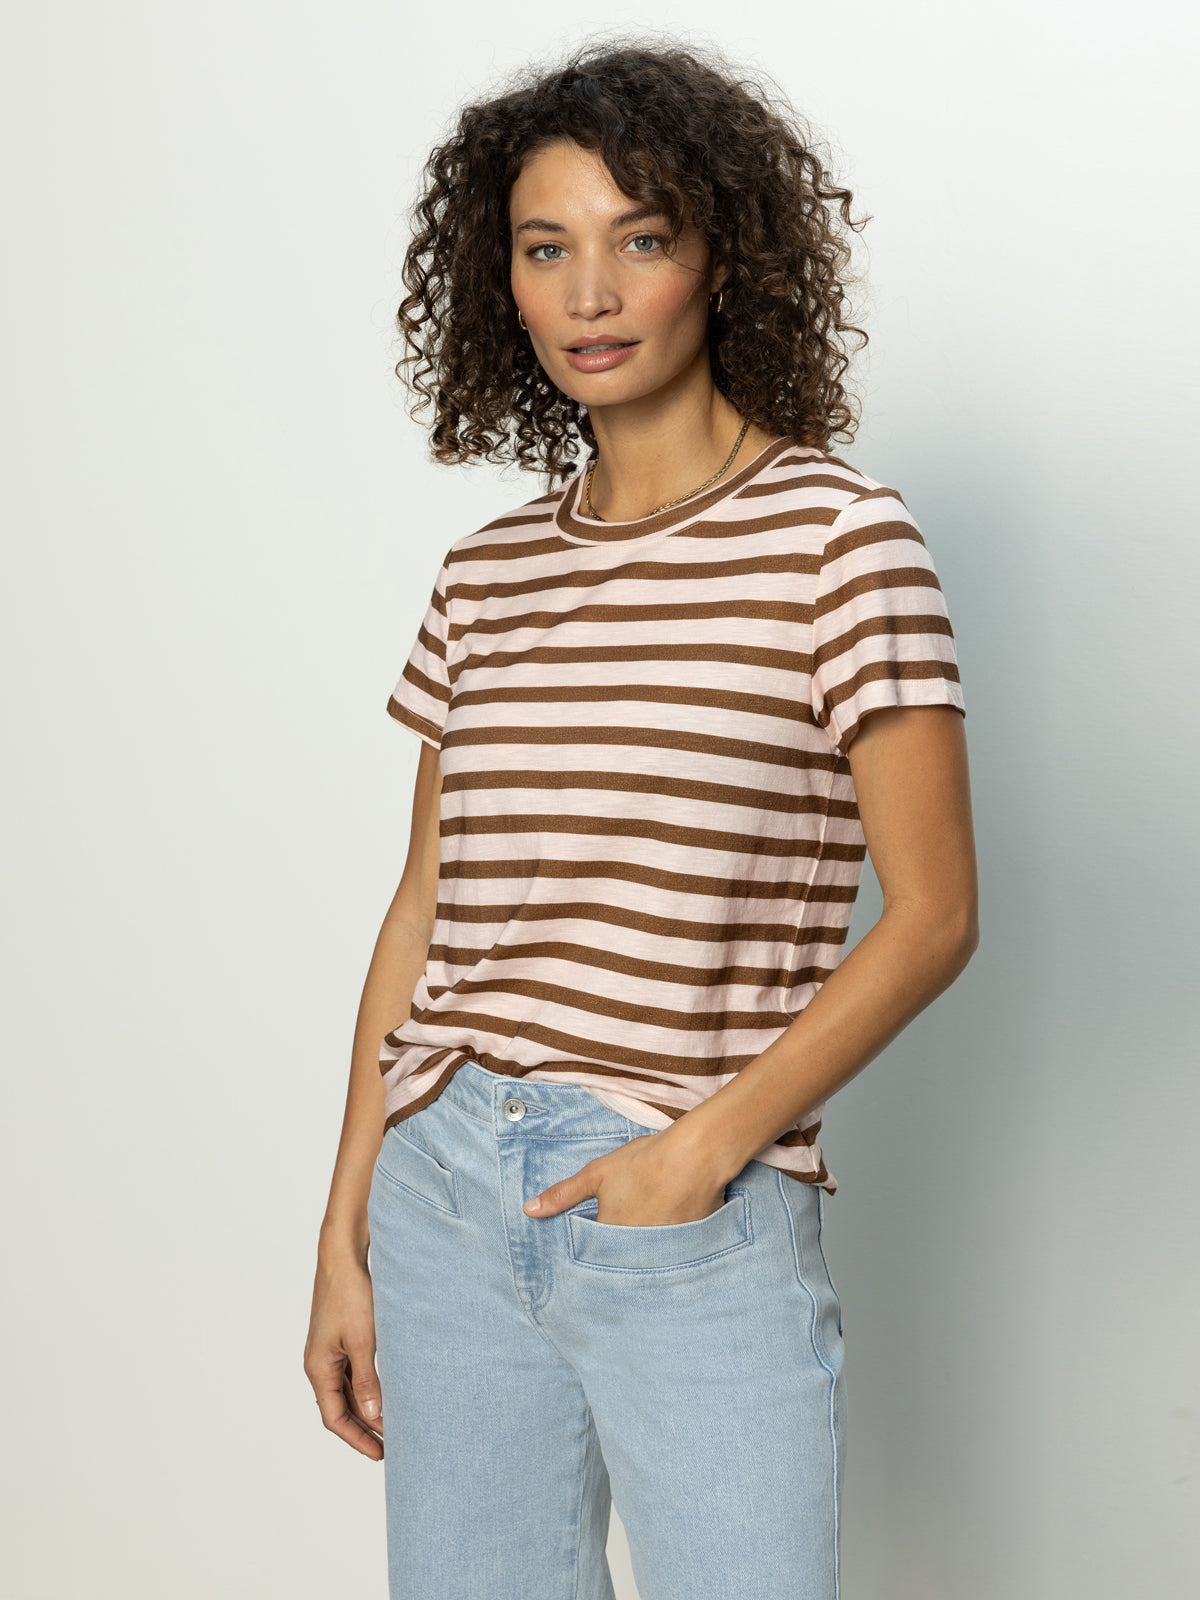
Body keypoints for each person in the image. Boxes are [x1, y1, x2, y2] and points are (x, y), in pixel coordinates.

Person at [304, 36, 979, 1600]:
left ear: (723, 259)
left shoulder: (840, 541)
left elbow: (936, 913)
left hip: (693, 1202)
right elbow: (425, 910)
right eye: (548, 249)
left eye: (640, 238)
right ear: (506, 287)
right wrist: (345, 1229)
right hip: (448, 1185)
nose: (590, 293)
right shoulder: (487, 576)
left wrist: (705, 1150)